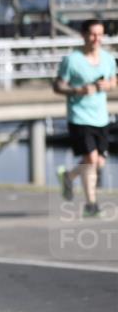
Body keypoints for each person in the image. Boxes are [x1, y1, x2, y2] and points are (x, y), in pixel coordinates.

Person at [53, 19, 115, 217]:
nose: (97, 39)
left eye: (100, 34)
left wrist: (110, 85)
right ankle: (91, 206)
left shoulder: (108, 58)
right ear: (83, 35)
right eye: (93, 34)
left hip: (101, 117)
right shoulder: (72, 60)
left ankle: (69, 177)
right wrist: (78, 90)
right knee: (91, 158)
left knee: (99, 163)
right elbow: (57, 86)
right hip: (79, 117)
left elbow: (114, 77)